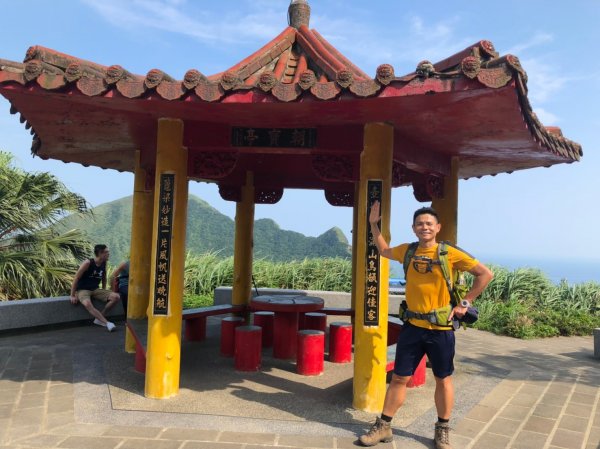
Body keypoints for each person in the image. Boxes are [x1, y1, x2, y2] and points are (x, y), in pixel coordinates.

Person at [359, 203, 493, 449]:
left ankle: (442, 429)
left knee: (443, 379)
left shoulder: (448, 253)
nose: (425, 227)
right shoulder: (407, 251)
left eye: (429, 223)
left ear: (438, 227)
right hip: (412, 326)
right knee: (399, 378)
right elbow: (385, 250)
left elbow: (485, 274)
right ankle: (384, 426)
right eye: (420, 223)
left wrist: (465, 302)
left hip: (440, 330)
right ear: (413, 228)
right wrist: (373, 224)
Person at [70, 244, 120, 332]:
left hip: (95, 289)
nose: (109, 254)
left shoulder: (104, 262)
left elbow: (104, 276)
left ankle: (99, 319)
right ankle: (107, 323)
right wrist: (72, 295)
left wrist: (104, 289)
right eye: (106, 252)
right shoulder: (88, 263)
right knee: (87, 304)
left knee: (116, 297)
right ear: (100, 253)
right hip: (83, 289)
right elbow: (76, 278)